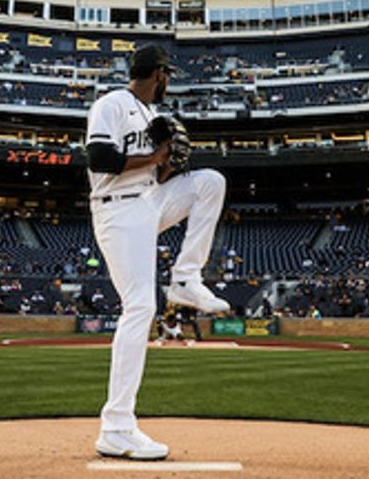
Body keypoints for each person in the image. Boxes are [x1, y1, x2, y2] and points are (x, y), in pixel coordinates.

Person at [86, 45, 227, 462]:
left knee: (209, 182)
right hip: (118, 209)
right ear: (158, 74)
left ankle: (186, 278)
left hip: (150, 200)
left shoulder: (153, 118)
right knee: (140, 307)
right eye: (168, 75)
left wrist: (167, 166)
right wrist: (156, 155)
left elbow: (156, 170)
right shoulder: (111, 104)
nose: (169, 82)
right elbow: (100, 158)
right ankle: (116, 427)